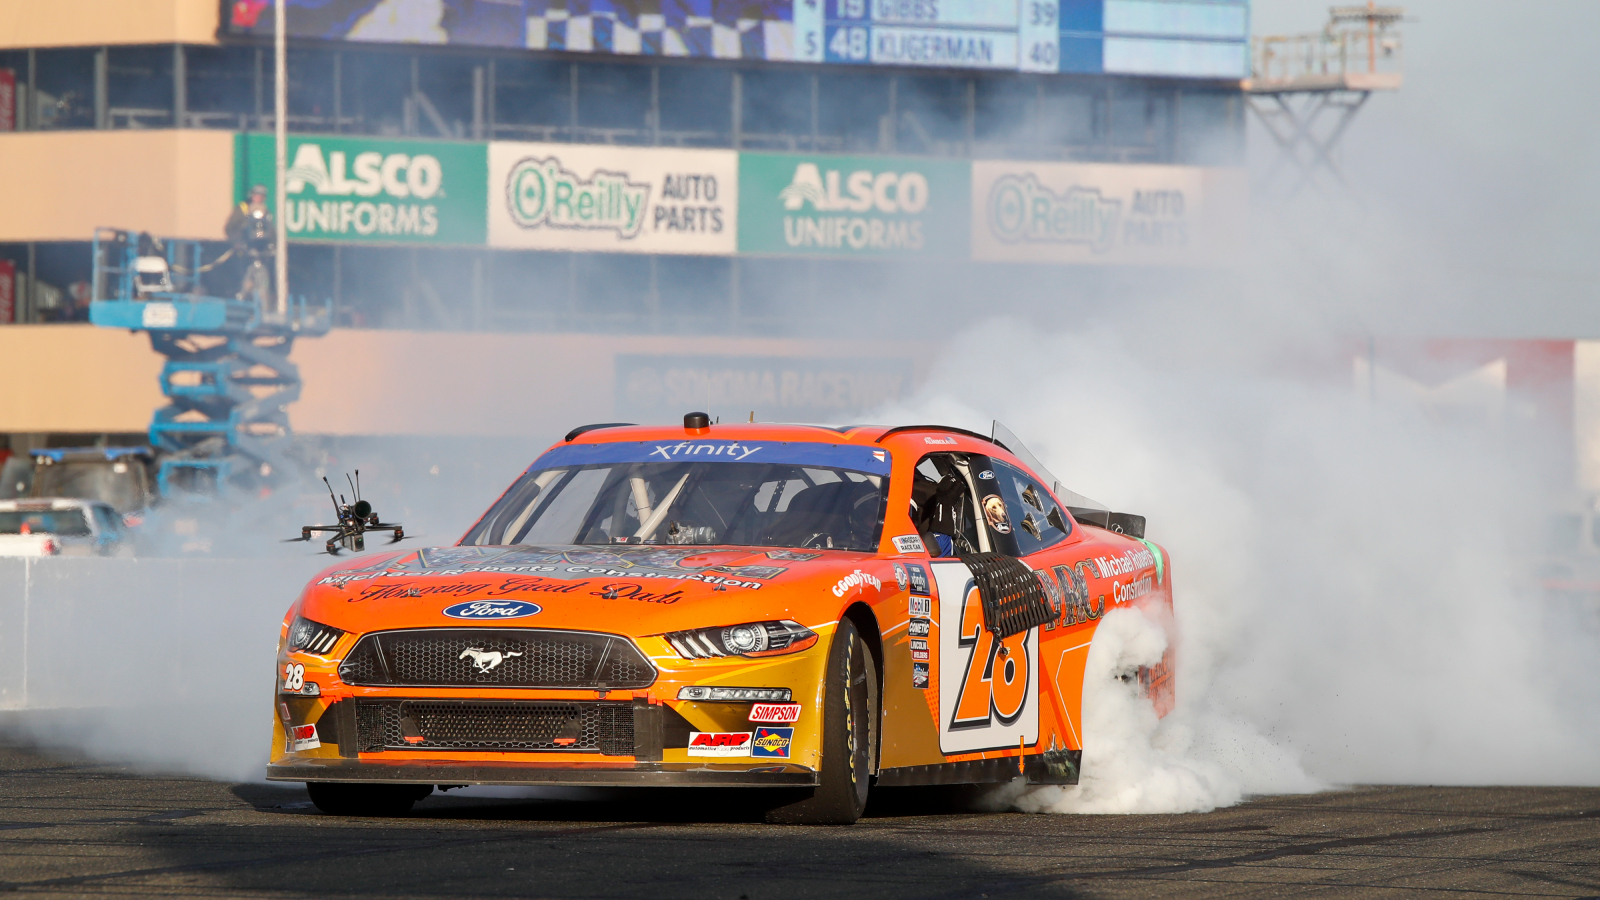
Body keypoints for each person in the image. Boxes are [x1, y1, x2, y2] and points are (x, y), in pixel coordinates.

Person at [224, 185, 275, 310]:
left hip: (261, 252)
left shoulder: (266, 212)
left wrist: (272, 246)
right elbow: (230, 228)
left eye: (261, 196)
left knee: (264, 278)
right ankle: (239, 301)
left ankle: (263, 304)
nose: (258, 198)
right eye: (256, 195)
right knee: (243, 277)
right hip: (244, 251)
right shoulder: (242, 209)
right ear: (252, 196)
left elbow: (270, 231)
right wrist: (238, 243)